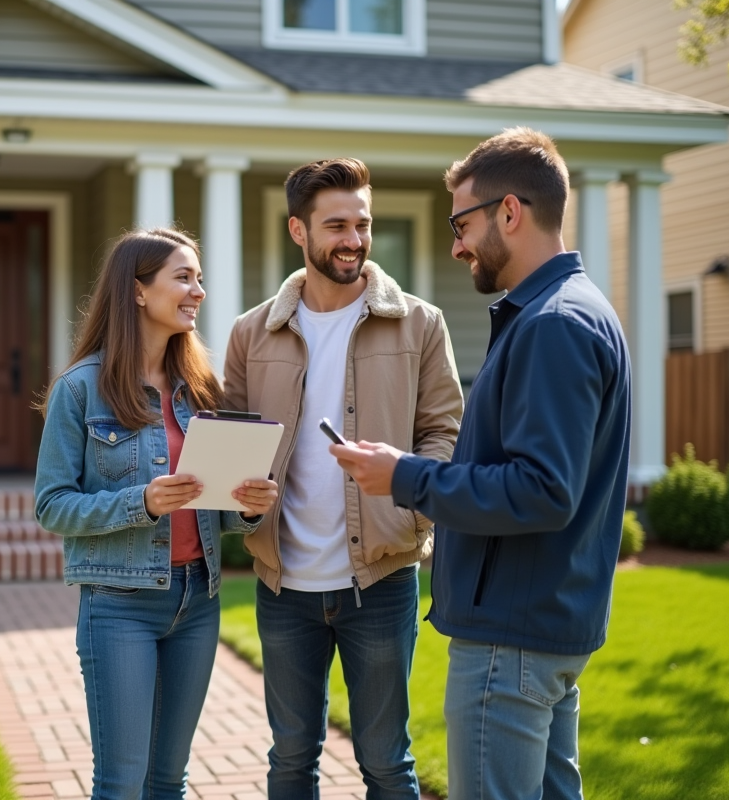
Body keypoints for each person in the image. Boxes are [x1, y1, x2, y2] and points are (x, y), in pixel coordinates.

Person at [330, 128, 632, 800]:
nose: (456, 246)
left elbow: (541, 489)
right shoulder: (566, 311)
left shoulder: (554, 324)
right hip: (544, 626)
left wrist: (404, 477)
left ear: (510, 212)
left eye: (461, 225)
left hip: (512, 639)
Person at [222, 158, 464, 798]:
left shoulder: (420, 323)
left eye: (363, 224)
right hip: (283, 583)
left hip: (380, 579)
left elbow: (445, 433)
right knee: (290, 759)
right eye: (337, 226)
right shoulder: (251, 333)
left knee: (386, 762)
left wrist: (410, 498)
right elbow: (231, 451)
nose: (354, 240)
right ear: (298, 230)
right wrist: (246, 504)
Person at [34, 227, 278, 800]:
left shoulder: (201, 388)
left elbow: (213, 505)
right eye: (184, 277)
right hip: (120, 604)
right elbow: (51, 504)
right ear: (138, 290)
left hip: (198, 602)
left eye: (200, 279)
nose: (199, 291)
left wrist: (247, 508)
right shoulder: (80, 389)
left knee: (168, 781)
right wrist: (140, 502)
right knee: (121, 784)